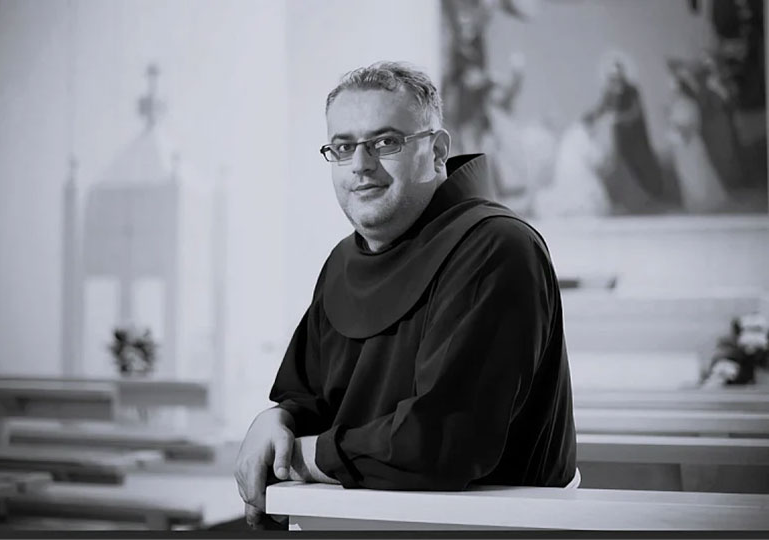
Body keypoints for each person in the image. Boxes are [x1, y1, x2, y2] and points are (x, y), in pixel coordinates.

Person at [234, 61, 577, 530]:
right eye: (343, 147)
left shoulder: (497, 247)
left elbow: (441, 442)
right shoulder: (342, 261)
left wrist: (298, 456)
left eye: (385, 142)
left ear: (437, 151)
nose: (361, 164)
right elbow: (306, 398)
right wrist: (275, 423)